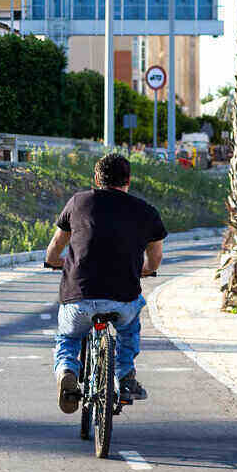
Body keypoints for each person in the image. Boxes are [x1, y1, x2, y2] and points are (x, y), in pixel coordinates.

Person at [45, 153, 167, 414]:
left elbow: (56, 245)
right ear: (129, 181)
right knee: (128, 329)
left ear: (96, 178)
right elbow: (155, 257)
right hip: (123, 297)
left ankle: (67, 371)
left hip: (79, 296)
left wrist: (53, 261)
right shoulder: (147, 211)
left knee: (68, 337)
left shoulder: (79, 202)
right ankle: (124, 376)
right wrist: (147, 270)